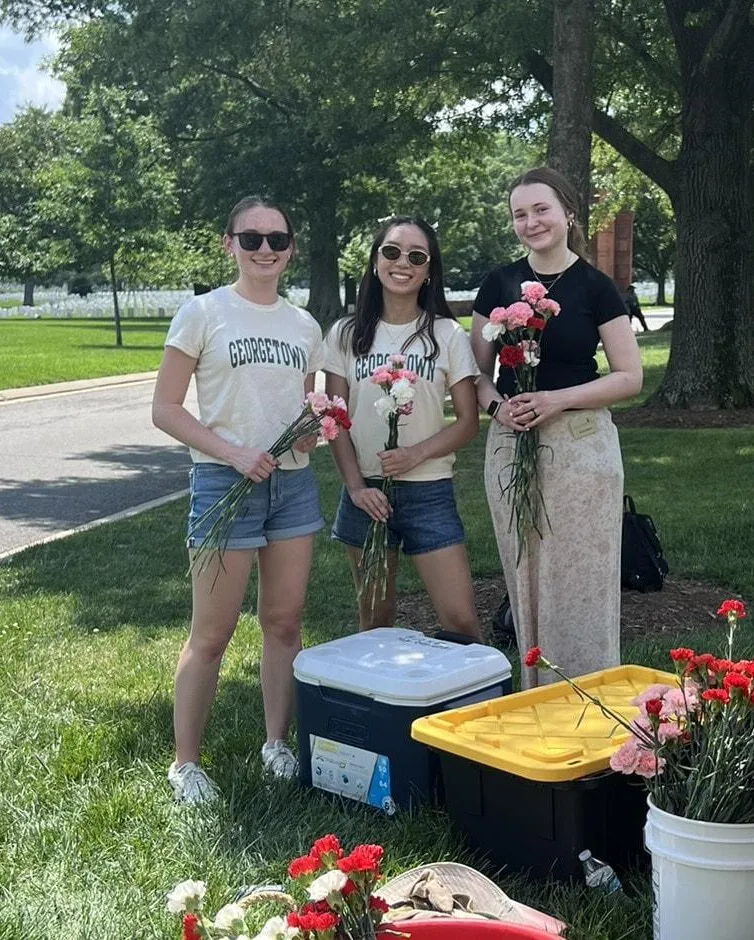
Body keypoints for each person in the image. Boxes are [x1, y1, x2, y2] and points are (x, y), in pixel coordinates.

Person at [152, 195, 325, 804]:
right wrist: (232, 453)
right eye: (251, 239)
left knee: (283, 623)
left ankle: (276, 742)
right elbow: (166, 409)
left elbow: (305, 409)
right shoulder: (203, 313)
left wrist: (310, 432)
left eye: (277, 239)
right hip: (224, 483)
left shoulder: (304, 326)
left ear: (291, 248)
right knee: (212, 633)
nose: (265, 249)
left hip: (292, 485)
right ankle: (186, 764)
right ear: (229, 245)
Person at [471, 167, 643, 689]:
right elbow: (475, 374)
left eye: (541, 209)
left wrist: (557, 400)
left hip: (581, 446)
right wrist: (498, 407)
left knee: (582, 577)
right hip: (511, 442)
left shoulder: (597, 288)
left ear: (568, 212)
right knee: (525, 575)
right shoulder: (498, 283)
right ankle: (534, 696)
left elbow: (629, 376)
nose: (531, 222)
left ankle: (589, 695)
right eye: (519, 214)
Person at [324, 216, 482, 637]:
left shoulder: (446, 334)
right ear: (376, 261)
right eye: (392, 251)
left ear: (429, 271)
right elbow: (335, 420)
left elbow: (468, 422)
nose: (402, 263)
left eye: (416, 256)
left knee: (461, 621)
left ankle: (474, 684)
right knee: (374, 620)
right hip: (366, 495)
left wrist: (416, 454)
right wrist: (355, 487)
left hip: (428, 491)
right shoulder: (345, 334)